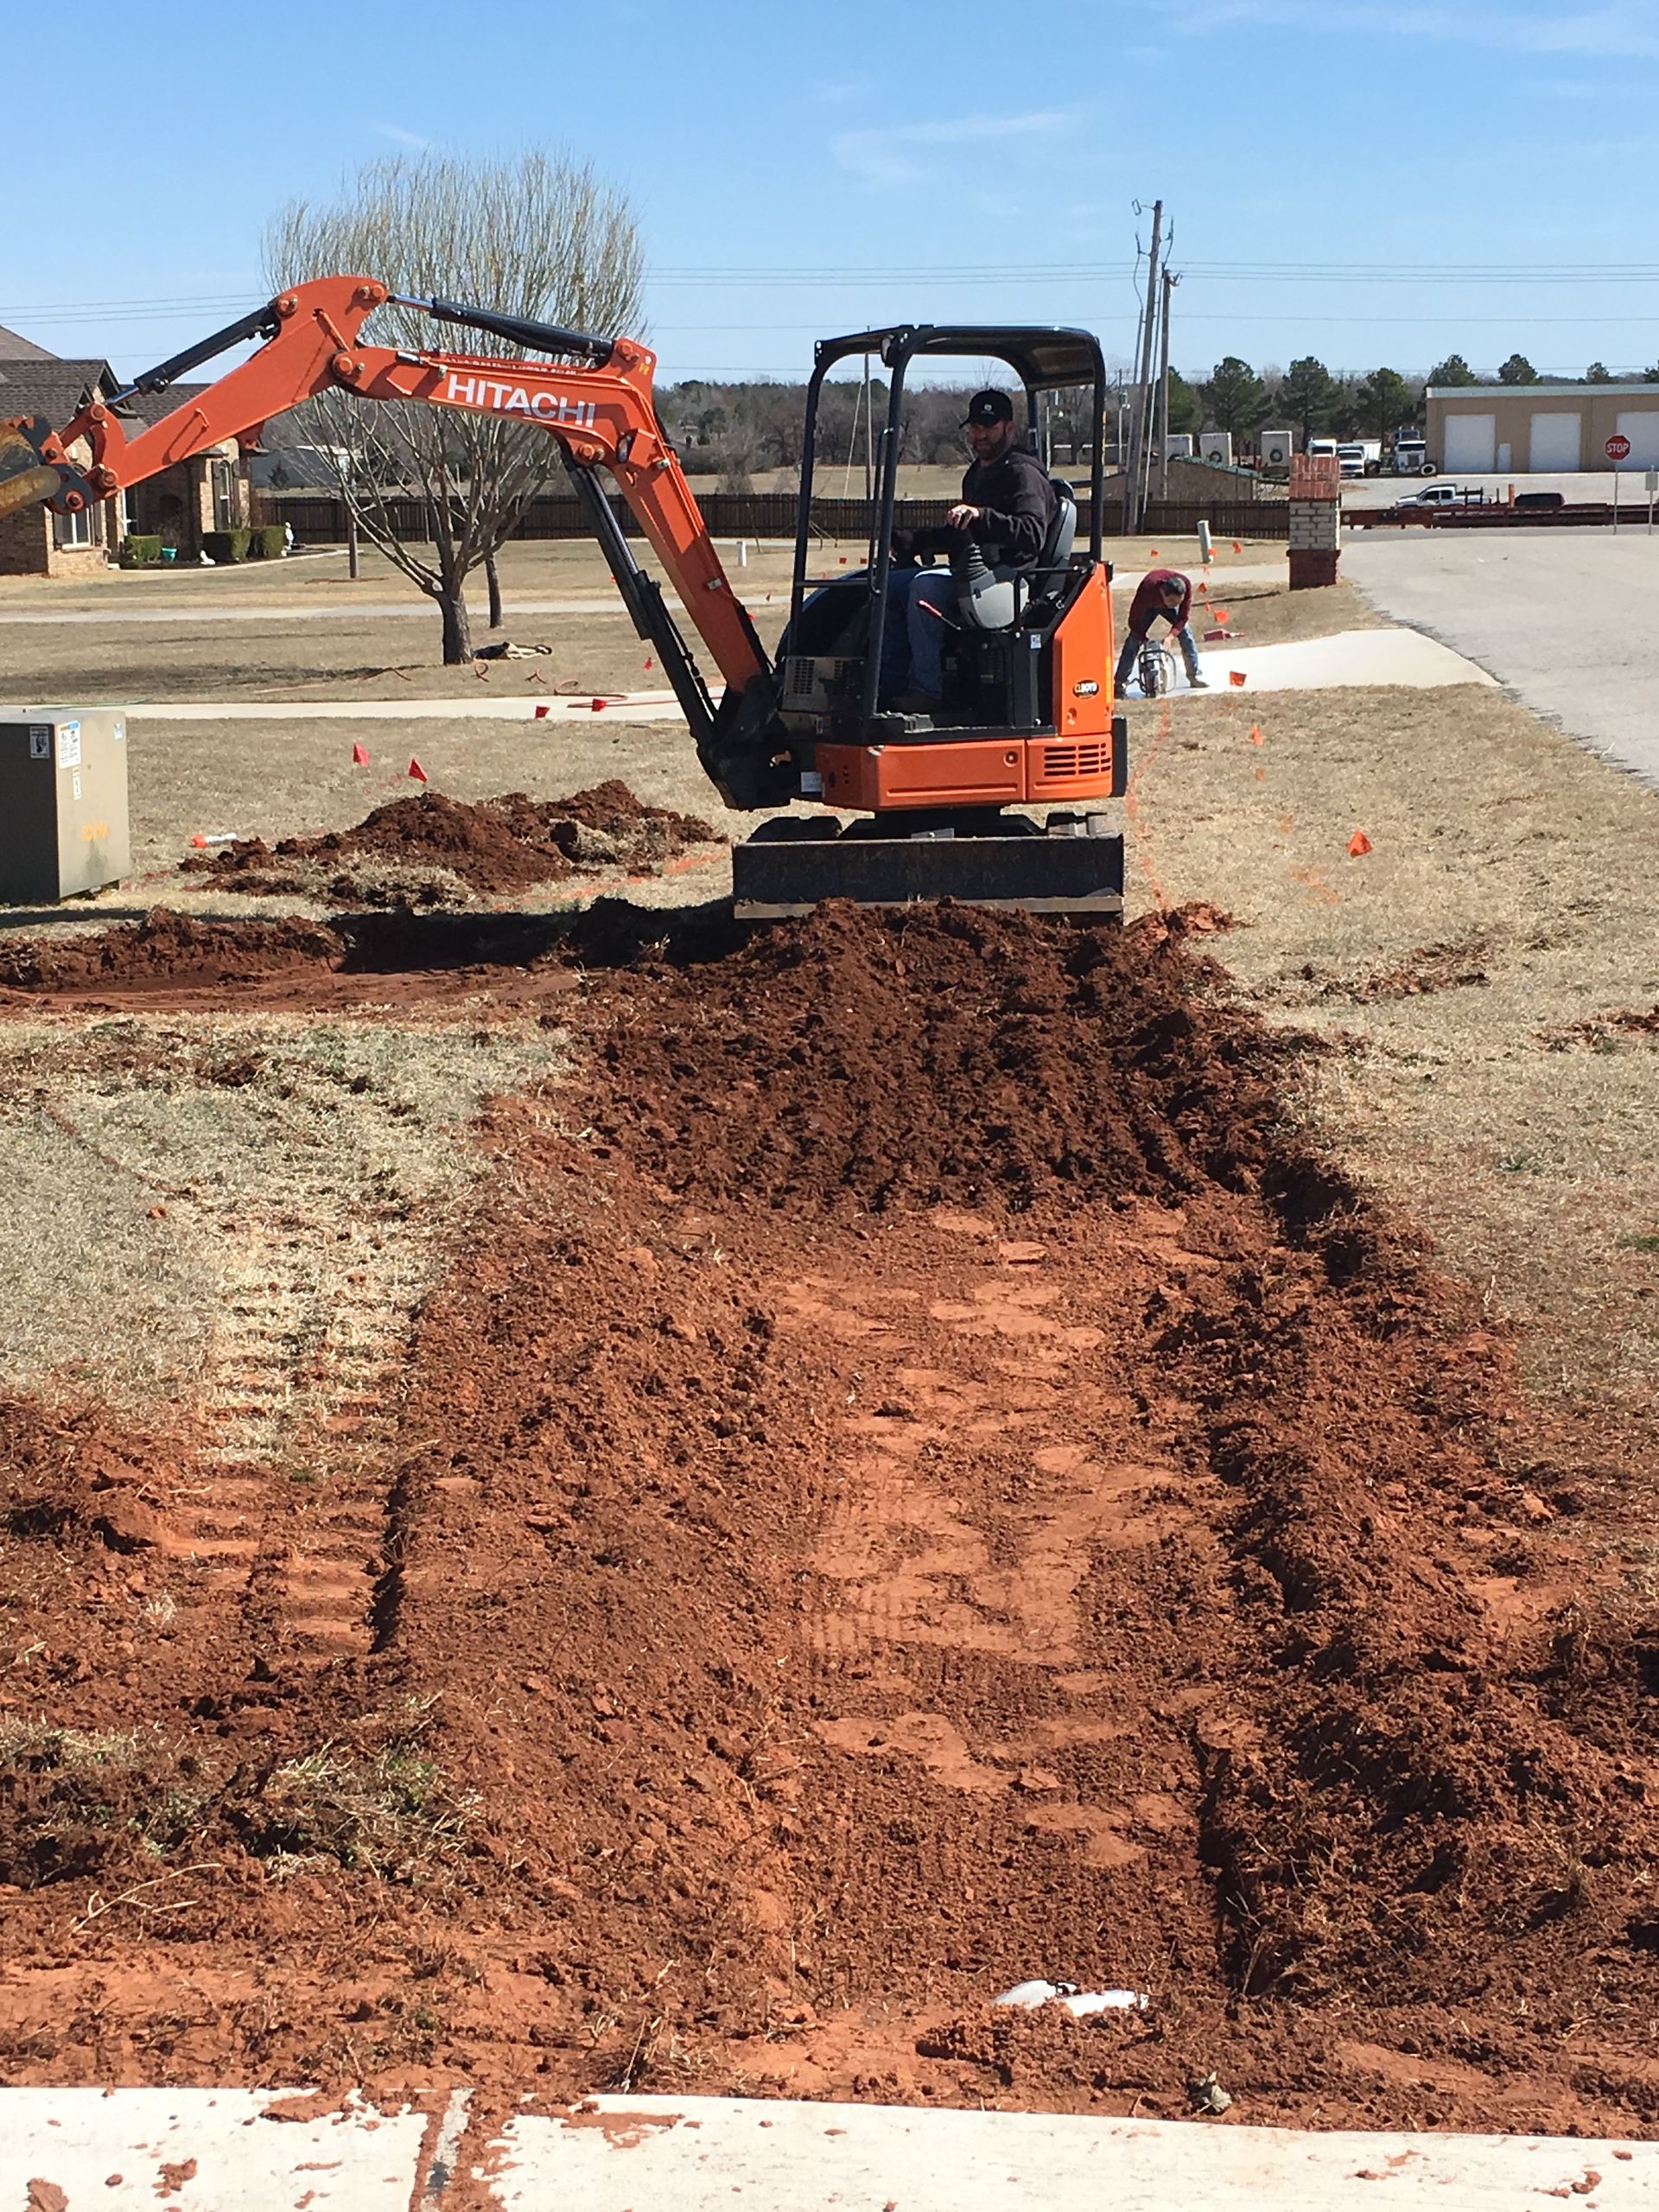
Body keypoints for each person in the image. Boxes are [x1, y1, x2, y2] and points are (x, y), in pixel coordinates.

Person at [880, 390, 1058, 717]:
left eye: (989, 427)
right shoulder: (978, 472)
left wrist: (982, 516)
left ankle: (927, 692)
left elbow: (1032, 534)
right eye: (975, 427)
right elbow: (966, 533)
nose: (980, 435)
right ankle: (888, 686)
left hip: (1008, 580)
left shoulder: (1023, 474)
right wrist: (915, 541)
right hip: (974, 573)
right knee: (889, 585)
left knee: (925, 589)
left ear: (1009, 428)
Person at [1115, 567, 1207, 696]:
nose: (1174, 605)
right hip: (1150, 606)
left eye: (1177, 602)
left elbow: (1183, 618)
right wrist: (1143, 639)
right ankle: (1120, 683)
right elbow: (1133, 620)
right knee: (1133, 641)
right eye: (1171, 601)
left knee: (1186, 634)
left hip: (1162, 600)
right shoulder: (1147, 590)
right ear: (1163, 593)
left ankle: (1194, 675)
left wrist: (1170, 636)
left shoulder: (1185, 585)